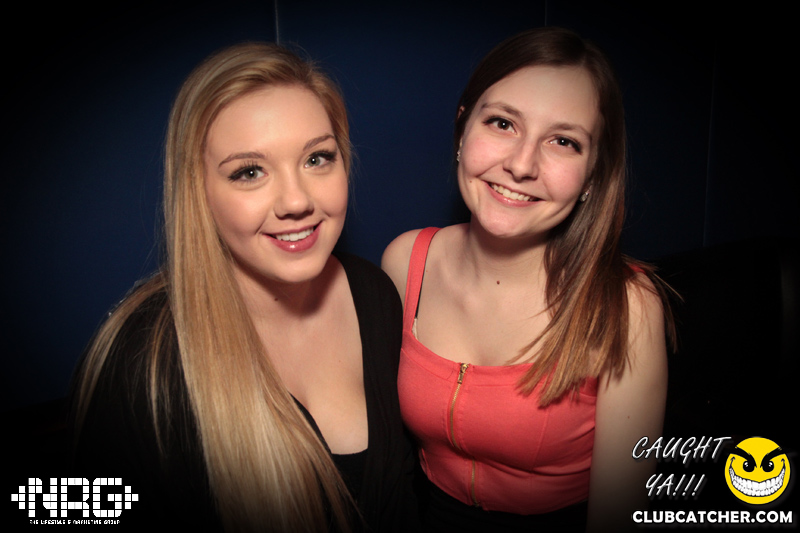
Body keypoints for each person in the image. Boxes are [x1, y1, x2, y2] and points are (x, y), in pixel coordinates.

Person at [71, 42, 417, 533]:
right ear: (199, 192)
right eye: (249, 172)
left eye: (317, 158)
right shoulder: (142, 358)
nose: (296, 201)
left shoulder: (375, 295)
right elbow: (65, 509)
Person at [382, 27, 673, 532]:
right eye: (502, 123)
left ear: (593, 174)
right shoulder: (405, 261)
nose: (521, 165)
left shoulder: (626, 306)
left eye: (563, 141)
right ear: (462, 129)